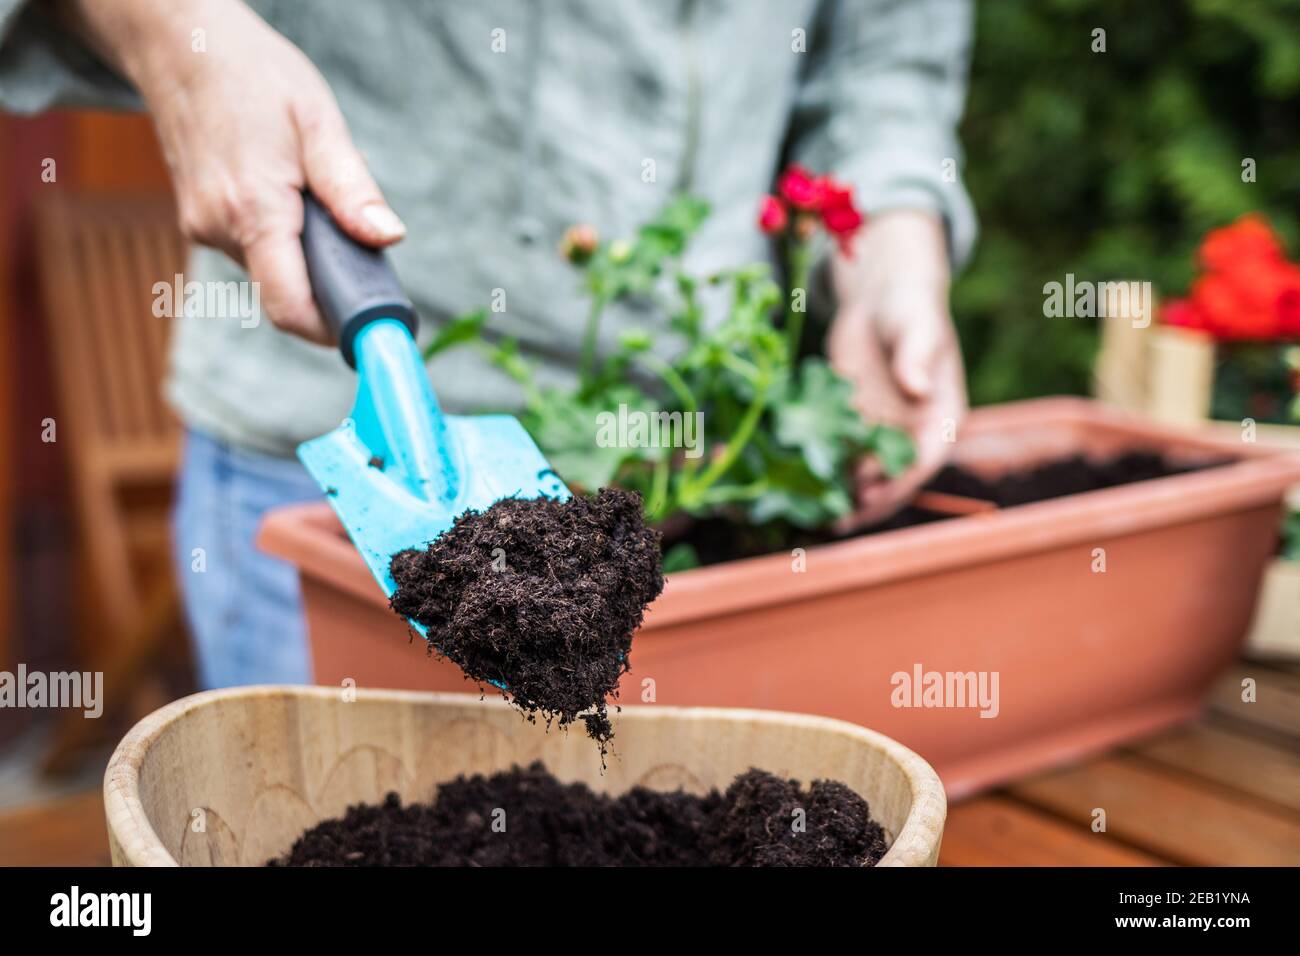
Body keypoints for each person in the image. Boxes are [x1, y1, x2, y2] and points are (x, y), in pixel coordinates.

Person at [0, 0, 976, 688]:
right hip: (317, 462)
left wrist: (893, 242)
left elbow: (888, 44)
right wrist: (177, 35)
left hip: (677, 478)